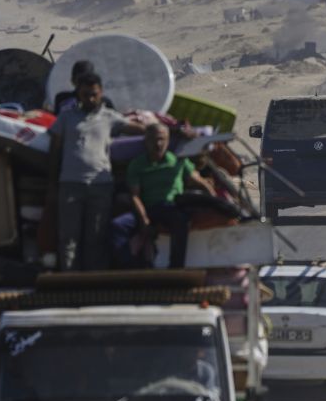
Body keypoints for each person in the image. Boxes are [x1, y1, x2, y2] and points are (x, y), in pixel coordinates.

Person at [48, 73, 140, 270]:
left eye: (94, 94)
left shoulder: (109, 117)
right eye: (85, 95)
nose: (90, 99)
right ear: (78, 94)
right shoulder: (66, 117)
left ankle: (93, 280)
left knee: (96, 236)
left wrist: (173, 130)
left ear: (101, 93)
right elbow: (54, 150)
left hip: (101, 185)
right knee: (68, 237)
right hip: (70, 184)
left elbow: (139, 129)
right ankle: (69, 280)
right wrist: (53, 183)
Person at [127, 123, 215, 268]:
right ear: (146, 141)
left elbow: (199, 181)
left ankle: (176, 267)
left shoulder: (178, 160)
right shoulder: (137, 164)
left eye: (162, 139)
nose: (158, 144)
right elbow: (134, 196)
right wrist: (144, 220)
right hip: (148, 208)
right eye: (154, 139)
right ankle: (128, 269)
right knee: (118, 226)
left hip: (172, 206)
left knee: (180, 219)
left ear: (168, 141)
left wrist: (214, 199)